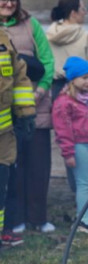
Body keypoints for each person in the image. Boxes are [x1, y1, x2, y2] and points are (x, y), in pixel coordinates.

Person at [0, 0, 56, 237]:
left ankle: (38, 217)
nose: (9, 4)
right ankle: (15, 219)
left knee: (38, 163)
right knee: (11, 168)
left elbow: (47, 60)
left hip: (35, 104)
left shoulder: (31, 24)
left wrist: (42, 89)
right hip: (5, 112)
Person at [51, 57, 88, 233]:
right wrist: (68, 153)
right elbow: (62, 130)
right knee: (83, 184)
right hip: (79, 146)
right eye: (84, 78)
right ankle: (84, 222)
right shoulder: (64, 102)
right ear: (73, 79)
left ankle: (83, 216)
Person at [0, 28, 36, 248]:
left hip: (4, 135)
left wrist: (26, 113)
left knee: (1, 186)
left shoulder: (3, 37)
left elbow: (19, 77)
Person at [46, 0, 88, 97]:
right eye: (83, 9)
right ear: (73, 13)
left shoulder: (48, 35)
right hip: (80, 90)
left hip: (55, 89)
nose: (85, 13)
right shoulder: (85, 36)